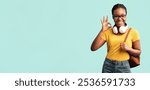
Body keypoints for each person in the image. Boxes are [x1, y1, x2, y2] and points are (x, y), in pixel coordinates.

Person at [91, 3, 141, 73]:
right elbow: (93, 48)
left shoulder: (133, 32)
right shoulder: (108, 31)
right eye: (116, 16)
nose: (119, 19)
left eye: (122, 15)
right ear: (113, 17)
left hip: (124, 65)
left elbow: (138, 52)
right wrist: (102, 30)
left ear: (126, 16)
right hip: (108, 65)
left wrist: (128, 49)